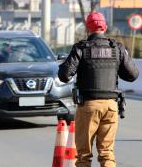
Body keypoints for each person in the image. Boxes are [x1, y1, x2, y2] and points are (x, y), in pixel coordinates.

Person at [58, 12, 139, 167]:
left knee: (83, 156)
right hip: (111, 106)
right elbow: (132, 75)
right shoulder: (116, 48)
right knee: (107, 154)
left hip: (88, 106)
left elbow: (64, 75)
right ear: (105, 27)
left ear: (88, 28)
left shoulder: (81, 48)